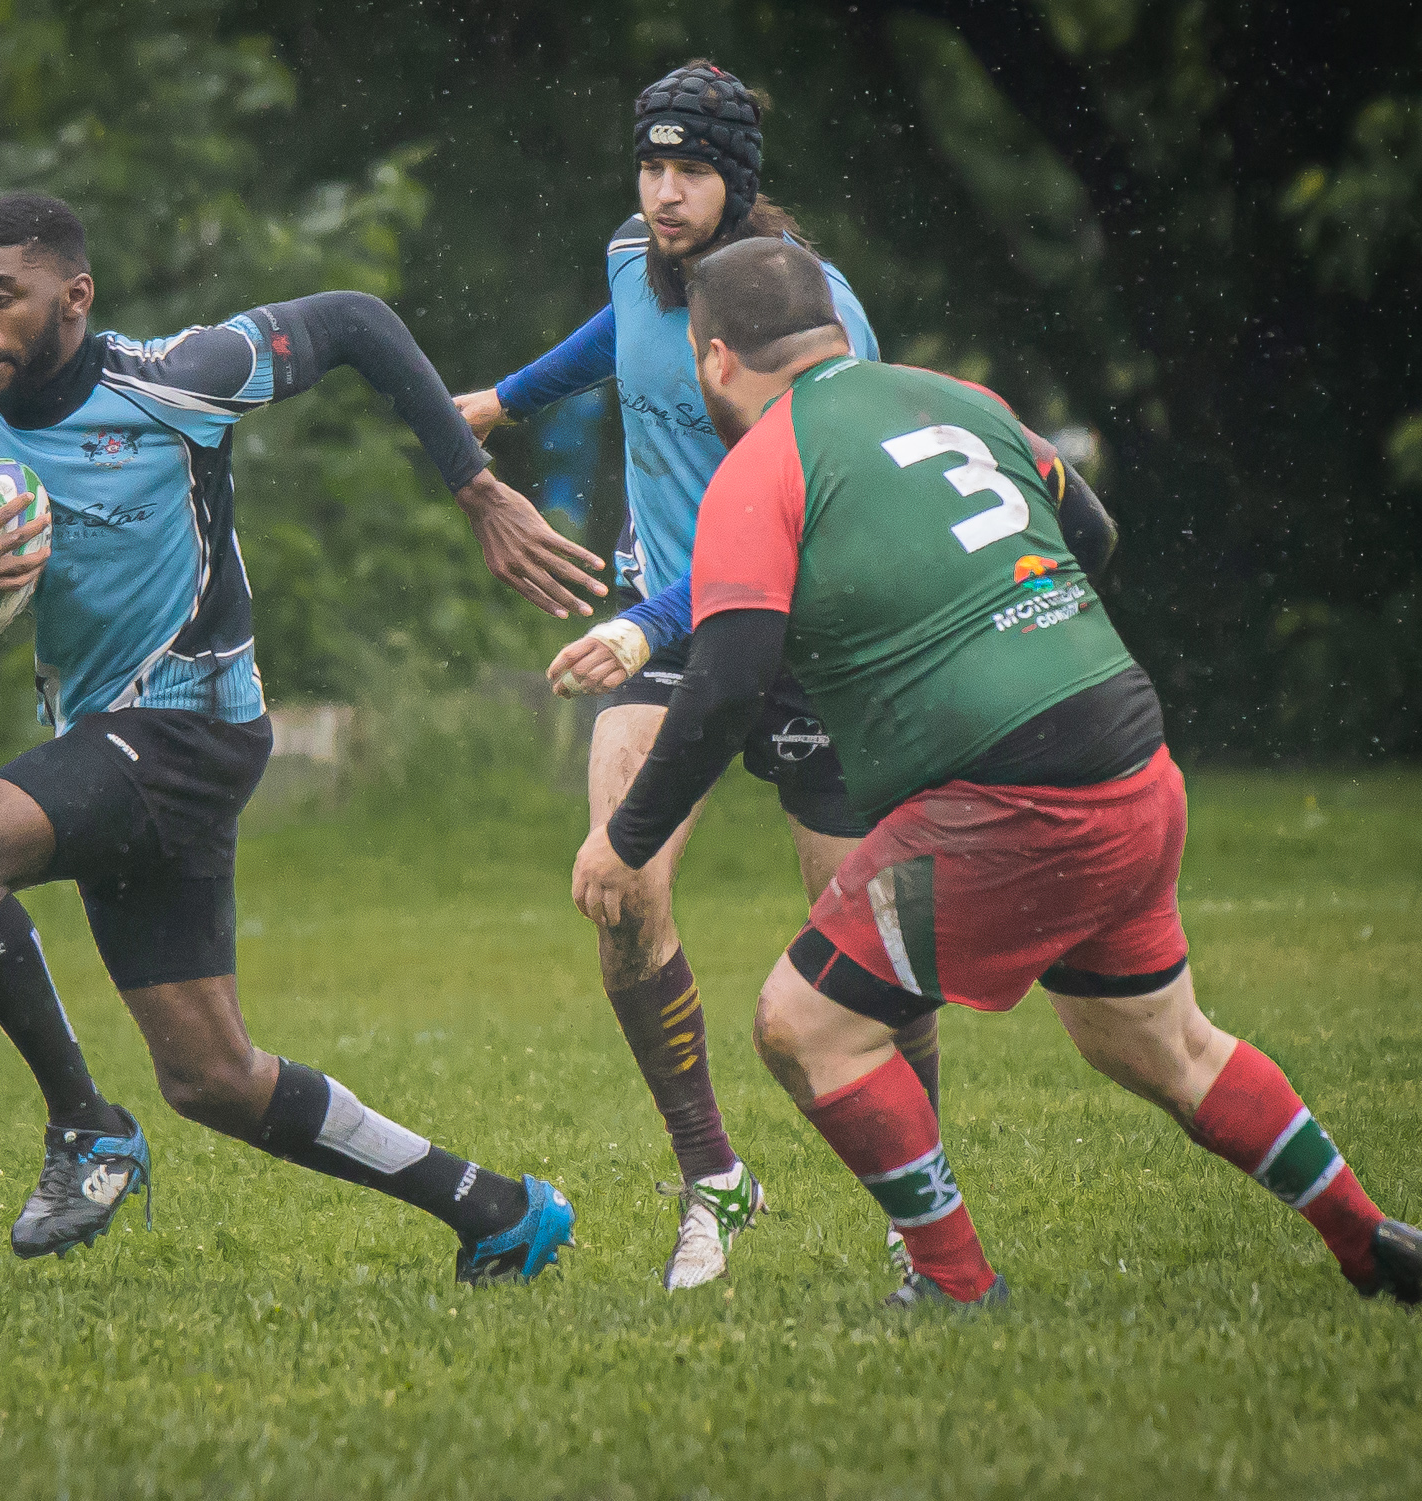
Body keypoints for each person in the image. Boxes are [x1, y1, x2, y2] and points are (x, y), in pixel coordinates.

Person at [571, 235, 1422, 1308]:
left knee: (802, 1025)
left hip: (1010, 800)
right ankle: (1367, 1239)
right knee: (1156, 1041)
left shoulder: (761, 463)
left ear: (714, 360)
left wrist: (624, 842)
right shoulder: (955, 397)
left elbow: (724, 683)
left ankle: (950, 1280)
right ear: (832, 328)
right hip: (1126, 753)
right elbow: (1089, 526)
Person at [0, 193, 600, 1282]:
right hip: (107, 744)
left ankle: (85, 1131)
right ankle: (496, 1211)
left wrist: (473, 487)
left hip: (190, 726)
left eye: (2, 295)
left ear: (73, 295)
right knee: (212, 1079)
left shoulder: (175, 380)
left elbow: (351, 321)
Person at [455, 59, 922, 1292]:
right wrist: (503, 400)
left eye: (689, 171)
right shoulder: (630, 255)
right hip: (673, 640)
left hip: (805, 641)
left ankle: (917, 1207)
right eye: (649, 167)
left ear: (737, 180)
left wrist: (646, 625)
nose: (663, 194)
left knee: (869, 944)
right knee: (618, 889)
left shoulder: (807, 316)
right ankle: (712, 1178)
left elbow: (809, 515)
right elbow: (625, 333)